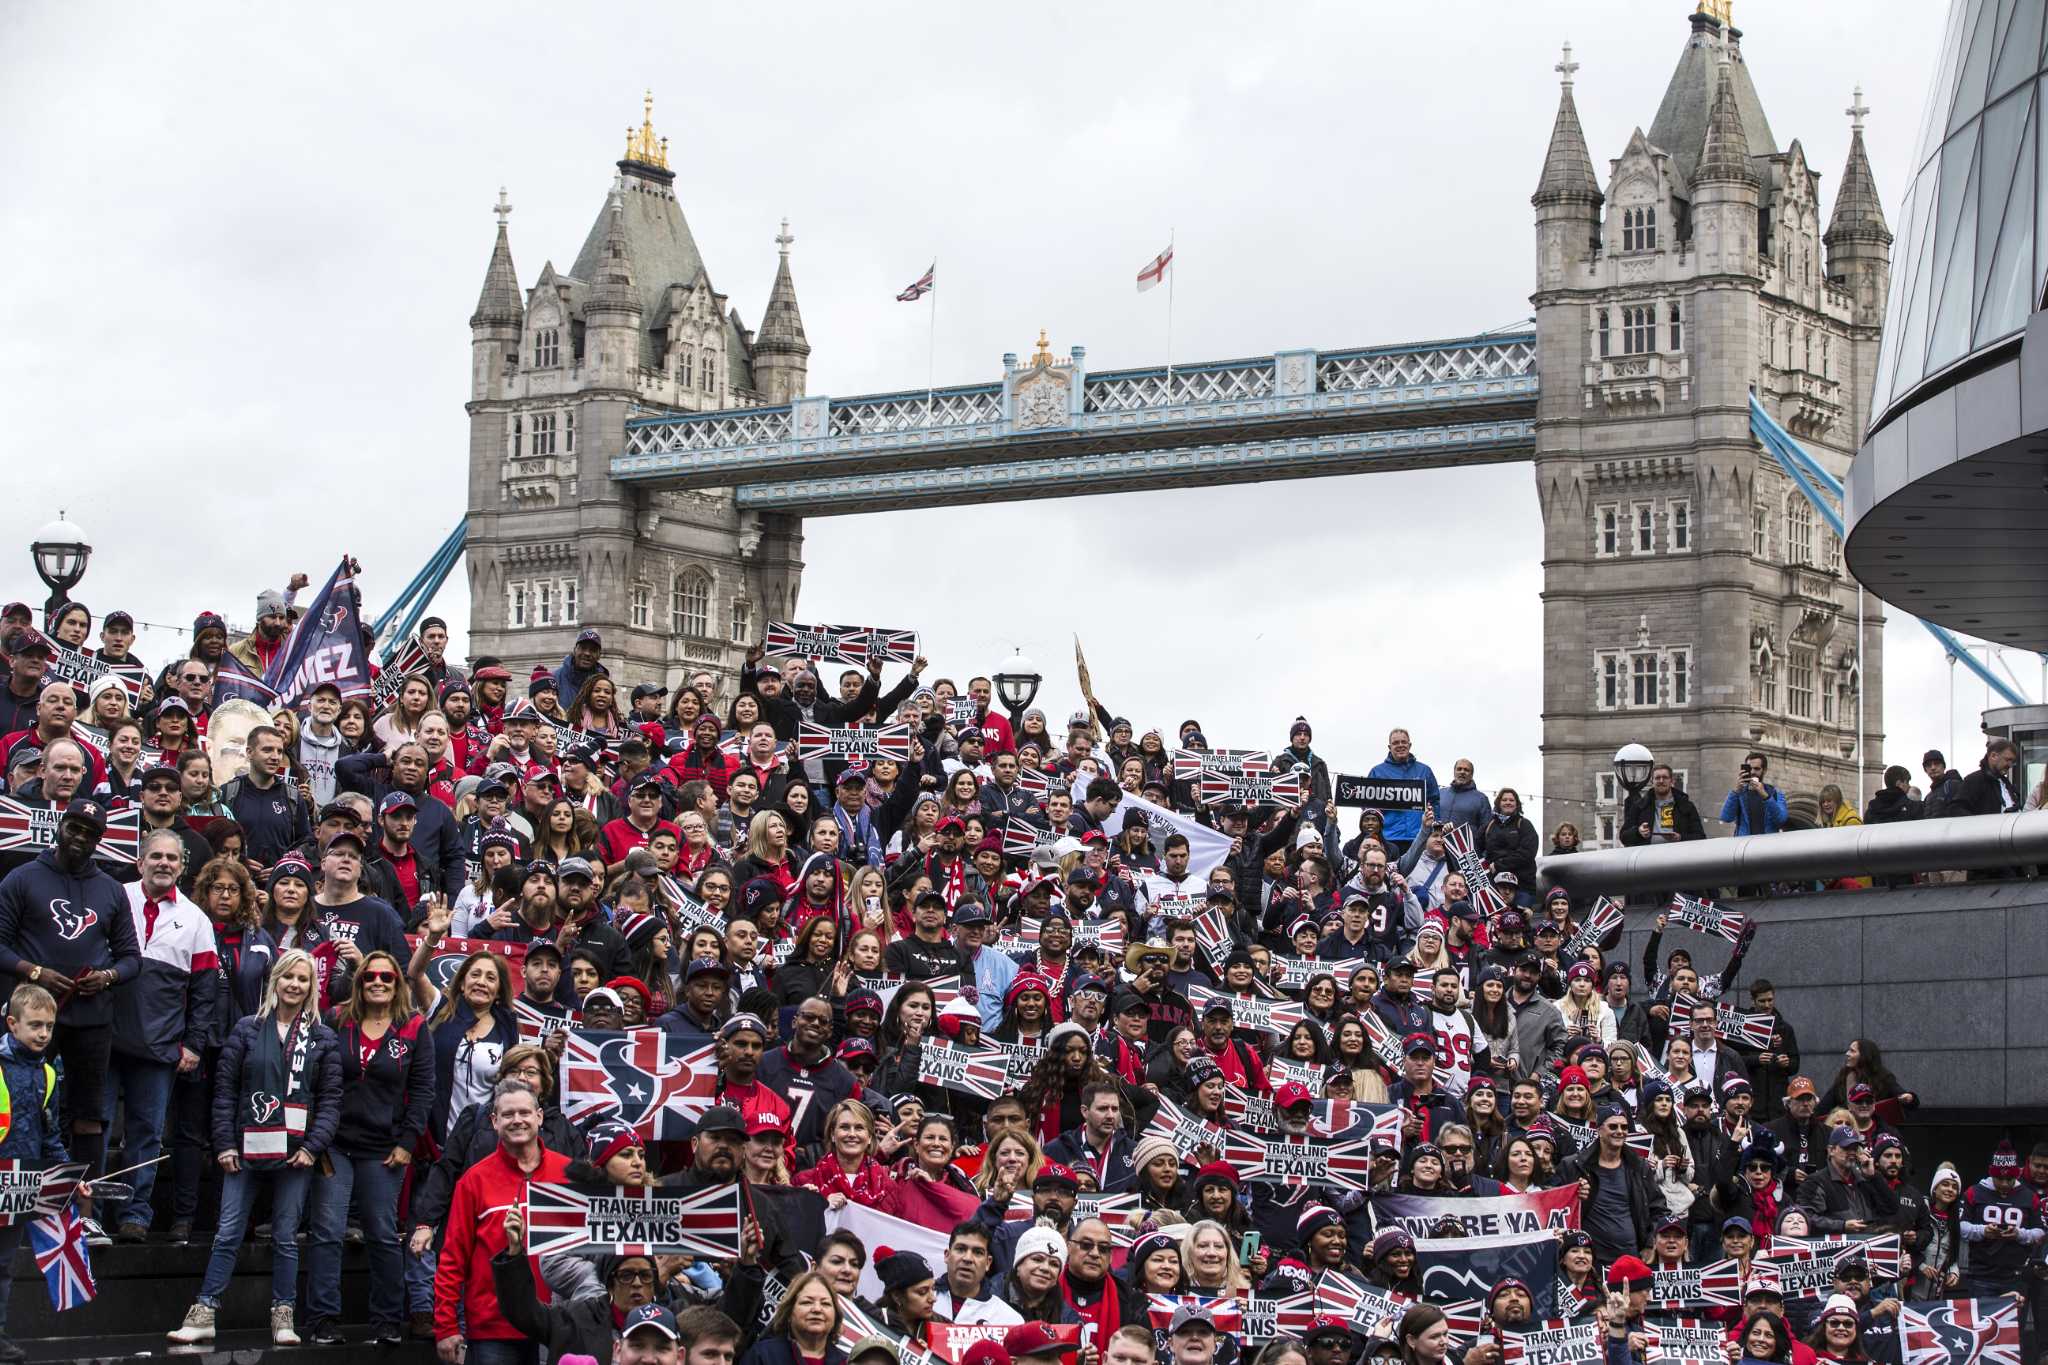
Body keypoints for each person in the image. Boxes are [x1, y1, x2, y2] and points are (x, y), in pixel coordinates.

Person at [167, 949, 342, 1347]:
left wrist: (313, 1148)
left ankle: (283, 1316)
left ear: (313, 986)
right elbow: (225, 1091)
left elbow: (330, 1101)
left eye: (303, 979)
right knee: (228, 1232)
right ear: (275, 981)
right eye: (288, 977)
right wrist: (224, 1144)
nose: (295, 985)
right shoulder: (247, 1029)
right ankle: (205, 1311)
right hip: (244, 1148)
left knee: (284, 1236)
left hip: (297, 1152)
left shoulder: (322, 1037)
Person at [0, 795, 140, 1234]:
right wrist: (35, 972)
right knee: (26, 1109)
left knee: (89, 1115)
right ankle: (21, 1209)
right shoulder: (22, 878)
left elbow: (132, 957)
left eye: (91, 833)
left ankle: (85, 1216)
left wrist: (109, 977)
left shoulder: (112, 889)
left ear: (100, 840)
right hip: (33, 1019)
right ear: (60, 827)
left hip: (92, 1018)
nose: (81, 837)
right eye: (75, 828)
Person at [306, 949, 434, 1346]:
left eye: (387, 977)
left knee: (380, 1233)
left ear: (398, 983)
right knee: (327, 1231)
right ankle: (322, 1319)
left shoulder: (413, 1026)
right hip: (335, 1144)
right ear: (359, 981)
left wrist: (408, 1143)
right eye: (369, 977)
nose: (378, 982)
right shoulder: (336, 1019)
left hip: (384, 1148)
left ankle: (386, 1320)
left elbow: (423, 1091)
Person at [104, 829, 217, 1243]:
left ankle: (135, 1213)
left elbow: (206, 993)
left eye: (172, 858)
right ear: (140, 862)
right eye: (156, 856)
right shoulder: (115, 898)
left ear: (182, 867)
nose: (164, 863)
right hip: (106, 1039)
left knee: (147, 1133)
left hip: (160, 1045)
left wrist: (193, 1044)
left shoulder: (196, 919)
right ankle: (91, 1213)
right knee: (96, 1128)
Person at [433, 1078, 574, 1364]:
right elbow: (452, 1258)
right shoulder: (474, 1180)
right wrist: (446, 1326)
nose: (517, 1120)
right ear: (494, 1121)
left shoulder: (569, 1173)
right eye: (508, 1115)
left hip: (559, 1324)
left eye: (524, 1112)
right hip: (493, 1329)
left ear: (539, 1117)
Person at [0, 984, 65, 1361]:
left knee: (4, 1265)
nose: (43, 1033)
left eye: (49, 1026)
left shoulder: (47, 1073)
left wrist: (68, 1176)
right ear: (13, 1023)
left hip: (20, 1182)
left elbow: (49, 1133)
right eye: (35, 1025)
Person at [933, 1219, 1023, 1324]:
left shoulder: (1008, 1320)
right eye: (961, 1249)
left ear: (988, 1263)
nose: (968, 1258)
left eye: (978, 1252)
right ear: (947, 1255)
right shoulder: (919, 1302)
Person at [1622, 765, 1705, 846]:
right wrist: (1638, 832)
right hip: (1648, 857)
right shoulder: (1640, 806)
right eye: (1657, 778)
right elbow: (1623, 837)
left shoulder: (1686, 805)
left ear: (1672, 781)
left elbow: (1700, 837)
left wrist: (1680, 838)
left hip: (1678, 856)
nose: (1661, 781)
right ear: (1652, 782)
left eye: (1665, 777)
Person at [1719, 753, 1788, 837]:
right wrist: (1735, 791)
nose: (1752, 772)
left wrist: (1766, 797)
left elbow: (1781, 819)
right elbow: (1726, 818)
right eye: (1749, 769)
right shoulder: (1739, 793)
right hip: (1744, 846)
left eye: (1756, 769)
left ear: (1764, 770)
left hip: (1768, 845)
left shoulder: (1776, 793)